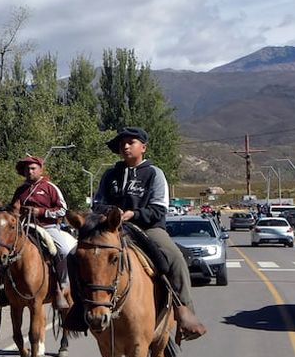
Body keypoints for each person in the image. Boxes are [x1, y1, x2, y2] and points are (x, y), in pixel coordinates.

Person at [82, 126, 207, 341]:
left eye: (131, 142)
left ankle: (185, 311)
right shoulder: (110, 174)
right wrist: (111, 214)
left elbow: (159, 208)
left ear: (143, 147)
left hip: (147, 228)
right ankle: (78, 308)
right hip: (112, 229)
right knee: (82, 256)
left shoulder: (154, 173)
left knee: (175, 258)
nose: (126, 146)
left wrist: (133, 214)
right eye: (122, 144)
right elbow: (98, 204)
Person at [6, 155, 72, 309]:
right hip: (24, 227)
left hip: (47, 227)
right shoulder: (21, 190)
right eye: (27, 169)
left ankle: (63, 286)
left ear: (40, 169)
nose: (29, 171)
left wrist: (40, 212)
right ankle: (5, 287)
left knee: (64, 250)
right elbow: (12, 210)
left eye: (33, 168)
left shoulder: (50, 187)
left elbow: (63, 209)